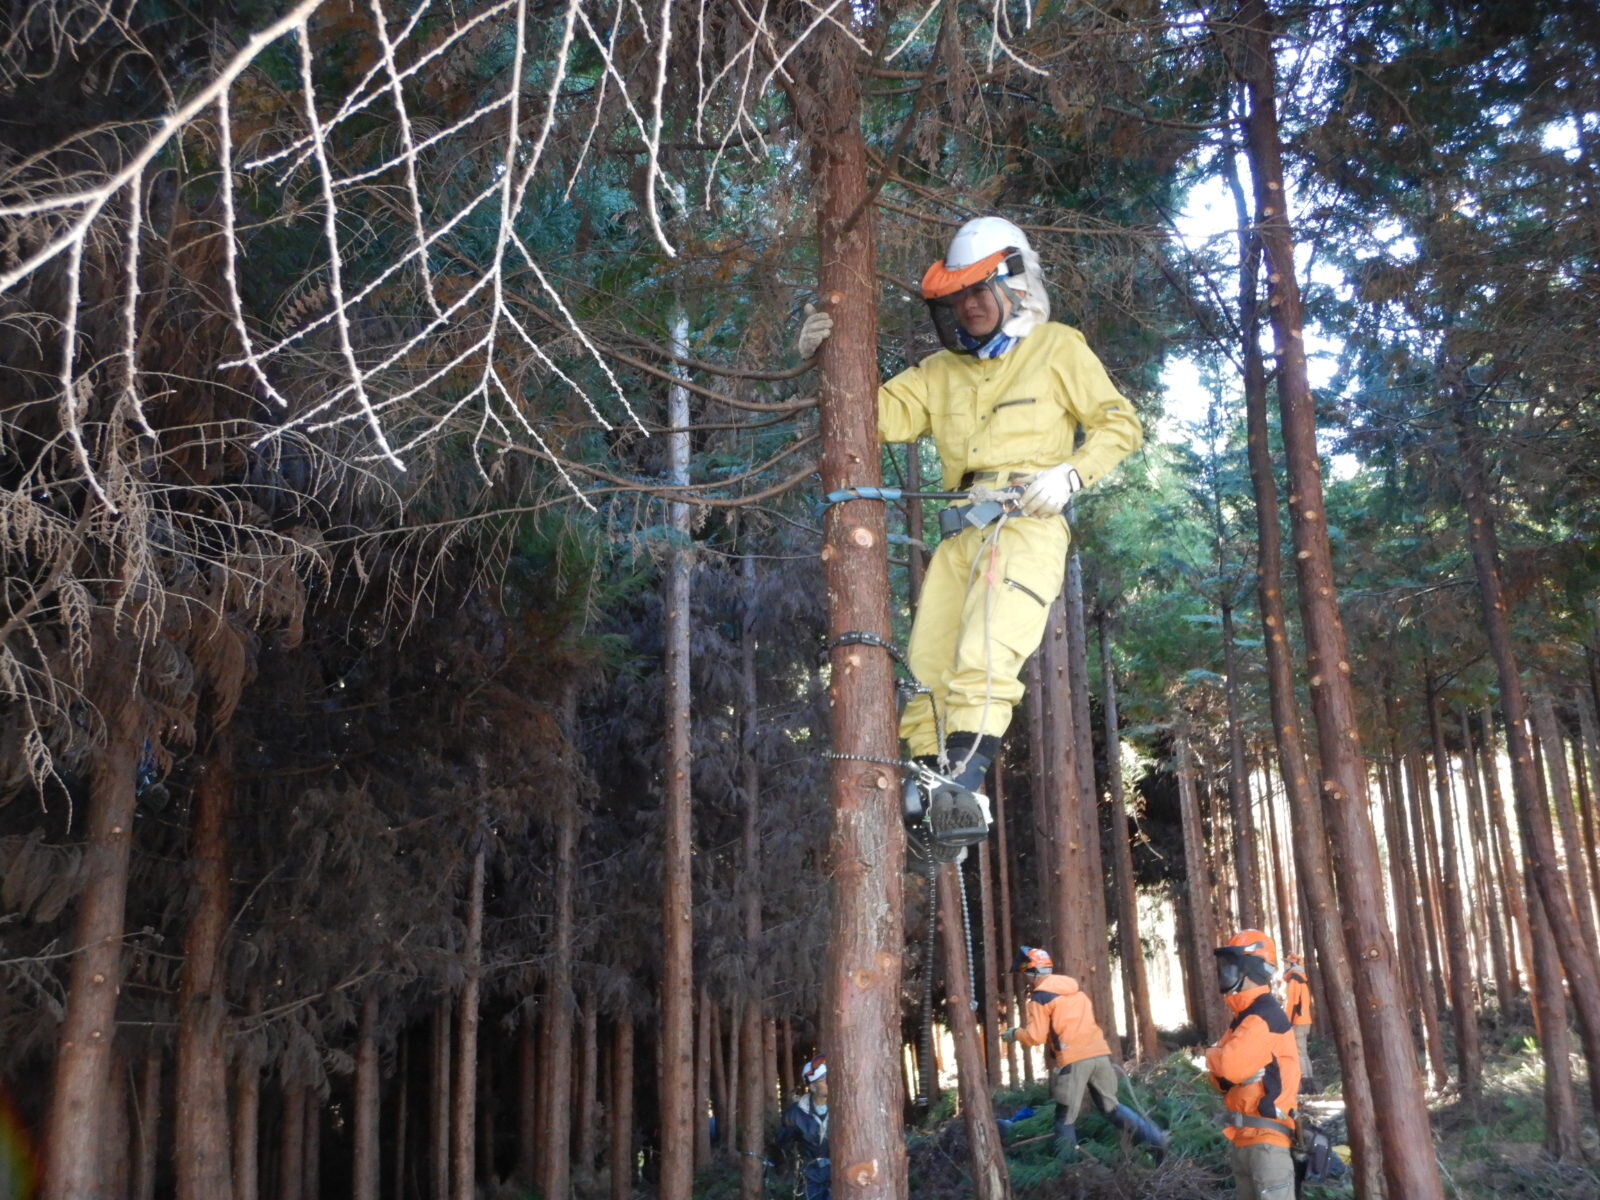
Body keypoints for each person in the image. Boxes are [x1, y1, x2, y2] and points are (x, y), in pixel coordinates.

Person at [798, 216, 1143, 857]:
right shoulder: (939, 371)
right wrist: (827, 358)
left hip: (1026, 523)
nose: (970, 306)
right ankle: (930, 795)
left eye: (981, 290)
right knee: (929, 666)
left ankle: (961, 785)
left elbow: (1120, 425)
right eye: (958, 297)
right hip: (961, 533)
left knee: (986, 652)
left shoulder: (1058, 348)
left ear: (1017, 286)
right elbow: (870, 416)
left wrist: (1070, 474)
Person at [1000, 946, 1167, 1161]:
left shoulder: (1040, 997)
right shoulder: (1076, 992)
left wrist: (1015, 1033)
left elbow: (1035, 1036)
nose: (1026, 978)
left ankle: (1068, 1169)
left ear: (1032, 971)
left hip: (1074, 1060)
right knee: (1112, 1108)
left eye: (1025, 973)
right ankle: (1156, 1140)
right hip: (1099, 1054)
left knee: (1065, 1117)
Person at [1206, 930, 1300, 1200]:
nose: (1225, 972)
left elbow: (1228, 1068)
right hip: (1245, 1139)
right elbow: (1219, 1081)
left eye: (1231, 965)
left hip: (1267, 1144)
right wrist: (1222, 1067)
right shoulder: (1244, 1017)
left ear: (1251, 968)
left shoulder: (1263, 1016)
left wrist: (1211, 1054)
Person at [775, 1054, 830, 1200]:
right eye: (823, 1080)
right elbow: (782, 1148)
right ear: (812, 1086)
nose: (829, 1082)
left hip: (838, 1174)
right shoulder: (795, 1113)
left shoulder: (843, 1109)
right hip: (809, 1178)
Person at [1282, 952, 1314, 1088]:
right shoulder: (1301, 979)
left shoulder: (1294, 979)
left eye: (1287, 962)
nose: (1285, 965)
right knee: (1303, 1052)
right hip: (1304, 1020)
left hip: (1297, 1021)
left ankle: (1304, 1081)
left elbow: (1292, 1002)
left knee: (1299, 1052)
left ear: (1292, 964)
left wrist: (1286, 1022)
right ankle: (1309, 1081)